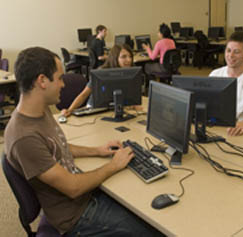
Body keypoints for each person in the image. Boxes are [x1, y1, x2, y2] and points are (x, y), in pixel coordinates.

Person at [4, 47, 164, 236]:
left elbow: (58, 147)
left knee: (144, 203)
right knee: (153, 230)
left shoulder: (40, 110)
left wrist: (97, 150)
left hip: (84, 198)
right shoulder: (24, 137)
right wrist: (114, 165)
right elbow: (73, 187)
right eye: (60, 78)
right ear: (42, 81)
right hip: (76, 216)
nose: (63, 85)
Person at [61, 44, 135, 117]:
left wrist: (132, 104)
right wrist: (69, 110)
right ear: (115, 58)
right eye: (124, 57)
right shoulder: (101, 73)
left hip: (114, 110)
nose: (129, 60)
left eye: (130, 56)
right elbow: (84, 95)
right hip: (94, 110)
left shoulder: (129, 73)